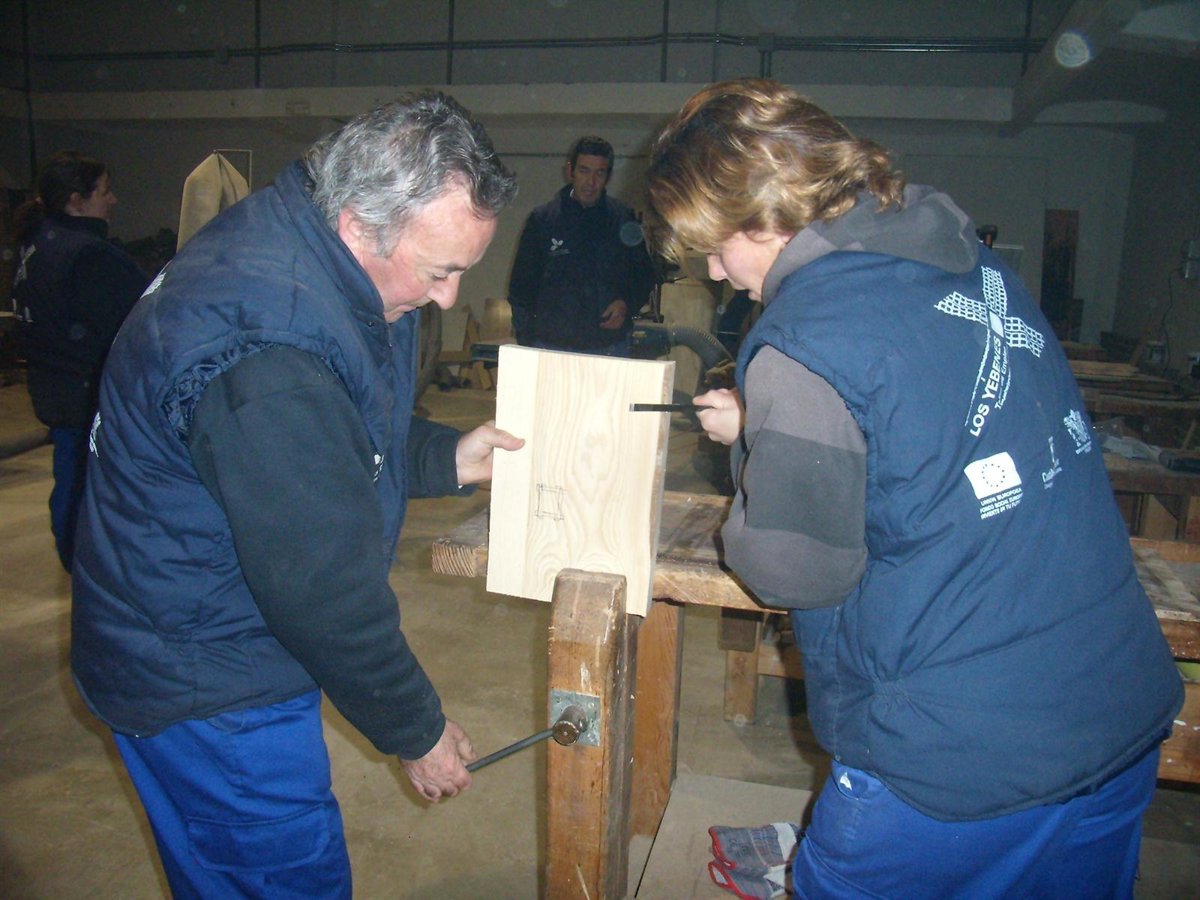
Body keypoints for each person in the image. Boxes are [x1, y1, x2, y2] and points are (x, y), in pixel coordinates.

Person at [645, 78, 1184, 899]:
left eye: (716, 245)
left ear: (768, 215)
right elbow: (925, 426)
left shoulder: (803, 335)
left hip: (958, 759)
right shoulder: (971, 265)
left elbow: (793, 571)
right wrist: (775, 422)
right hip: (1117, 702)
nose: (716, 272)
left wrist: (757, 441)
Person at [70, 91, 522, 897]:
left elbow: (340, 431)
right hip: (207, 676)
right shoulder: (267, 351)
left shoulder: (305, 243)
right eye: (440, 271)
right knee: (277, 879)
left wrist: (448, 455)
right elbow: (322, 589)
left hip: (188, 626)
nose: (450, 298)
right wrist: (415, 729)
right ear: (358, 225)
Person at [9, 151, 149, 571]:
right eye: (104, 191)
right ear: (76, 201)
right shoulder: (87, 255)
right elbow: (133, 323)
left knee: (70, 475)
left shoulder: (38, 244)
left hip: (57, 388)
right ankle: (85, 564)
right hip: (88, 394)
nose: (113, 200)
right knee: (87, 485)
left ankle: (76, 559)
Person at [507, 135, 656, 356]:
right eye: (584, 171)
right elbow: (521, 288)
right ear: (570, 171)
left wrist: (626, 303)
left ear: (608, 177)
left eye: (599, 173)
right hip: (550, 346)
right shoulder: (543, 221)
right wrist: (527, 341)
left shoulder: (623, 219)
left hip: (609, 347)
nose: (591, 182)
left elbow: (644, 274)